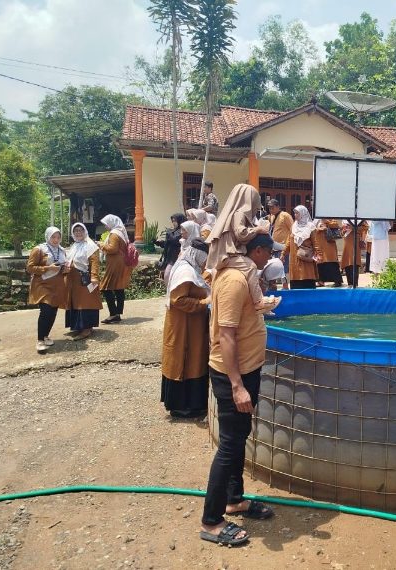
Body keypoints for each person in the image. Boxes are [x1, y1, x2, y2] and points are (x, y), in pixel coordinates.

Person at [200, 232, 275, 547]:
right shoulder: (233, 280)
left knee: (238, 436)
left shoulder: (242, 275)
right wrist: (237, 386)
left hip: (246, 369)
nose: (270, 258)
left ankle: (234, 499)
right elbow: (226, 335)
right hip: (235, 374)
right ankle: (212, 520)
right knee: (230, 444)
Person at [206, 184, 279, 313]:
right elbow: (241, 234)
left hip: (231, 253)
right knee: (250, 266)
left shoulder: (237, 214)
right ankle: (259, 302)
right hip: (228, 254)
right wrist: (258, 229)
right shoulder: (239, 213)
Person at [161, 238, 211, 419]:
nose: (205, 263)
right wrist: (204, 302)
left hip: (191, 325)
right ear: (198, 255)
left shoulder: (190, 268)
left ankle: (192, 404)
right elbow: (178, 300)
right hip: (184, 327)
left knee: (194, 361)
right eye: (205, 258)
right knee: (185, 361)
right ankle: (183, 406)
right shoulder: (186, 272)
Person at [27, 226, 68, 353]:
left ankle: (46, 336)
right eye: (53, 237)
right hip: (42, 284)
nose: (56, 240)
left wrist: (65, 269)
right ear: (48, 237)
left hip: (57, 285)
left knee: (53, 311)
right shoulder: (39, 249)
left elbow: (62, 267)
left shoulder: (62, 250)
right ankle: (40, 340)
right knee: (45, 311)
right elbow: (30, 268)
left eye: (58, 237)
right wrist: (48, 268)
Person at [65, 223, 102, 340]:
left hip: (85, 279)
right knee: (76, 303)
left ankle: (86, 329)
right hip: (74, 279)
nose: (78, 232)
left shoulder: (90, 245)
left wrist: (94, 277)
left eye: (80, 230)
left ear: (85, 231)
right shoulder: (75, 245)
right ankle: (79, 326)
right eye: (75, 230)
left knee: (86, 303)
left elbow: (95, 262)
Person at [98, 214, 133, 324]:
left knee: (105, 287)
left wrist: (101, 244)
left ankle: (113, 314)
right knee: (119, 287)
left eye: (106, 224)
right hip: (120, 262)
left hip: (115, 263)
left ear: (111, 223)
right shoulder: (120, 232)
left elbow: (112, 249)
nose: (105, 226)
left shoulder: (114, 234)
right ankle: (117, 313)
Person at [282, 205, 320, 290]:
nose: (295, 215)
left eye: (297, 213)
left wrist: (318, 254)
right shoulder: (293, 226)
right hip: (294, 260)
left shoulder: (310, 226)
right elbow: (289, 242)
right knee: (296, 287)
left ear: (303, 214)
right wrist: (283, 253)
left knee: (307, 285)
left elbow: (316, 242)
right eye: (294, 213)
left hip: (306, 259)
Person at [267, 199, 293, 289]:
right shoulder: (272, 217)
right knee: (274, 267)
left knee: (284, 268)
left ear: (278, 207)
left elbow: (292, 229)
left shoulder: (285, 215)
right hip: (274, 246)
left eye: (272, 208)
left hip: (283, 246)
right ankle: (273, 286)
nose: (271, 210)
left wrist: (288, 245)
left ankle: (285, 286)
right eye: (269, 208)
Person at [154, 213, 186, 283]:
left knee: (167, 276)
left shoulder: (182, 231)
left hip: (175, 258)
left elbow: (175, 240)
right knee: (167, 276)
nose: (173, 223)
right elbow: (168, 244)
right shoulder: (174, 231)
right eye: (173, 221)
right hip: (169, 257)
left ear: (180, 221)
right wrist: (158, 242)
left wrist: (169, 232)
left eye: (175, 221)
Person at [312, 218, 343, 286]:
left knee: (331, 262)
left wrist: (326, 223)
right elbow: (312, 229)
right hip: (319, 243)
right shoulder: (316, 220)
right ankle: (321, 281)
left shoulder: (330, 218)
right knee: (320, 262)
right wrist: (318, 229)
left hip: (329, 244)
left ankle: (337, 281)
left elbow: (336, 225)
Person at [340, 219, 368, 287]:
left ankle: (355, 283)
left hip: (356, 240)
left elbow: (365, 228)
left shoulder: (359, 218)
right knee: (347, 261)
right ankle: (349, 283)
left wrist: (353, 227)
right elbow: (341, 233)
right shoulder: (345, 219)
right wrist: (344, 229)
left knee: (355, 261)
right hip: (347, 241)